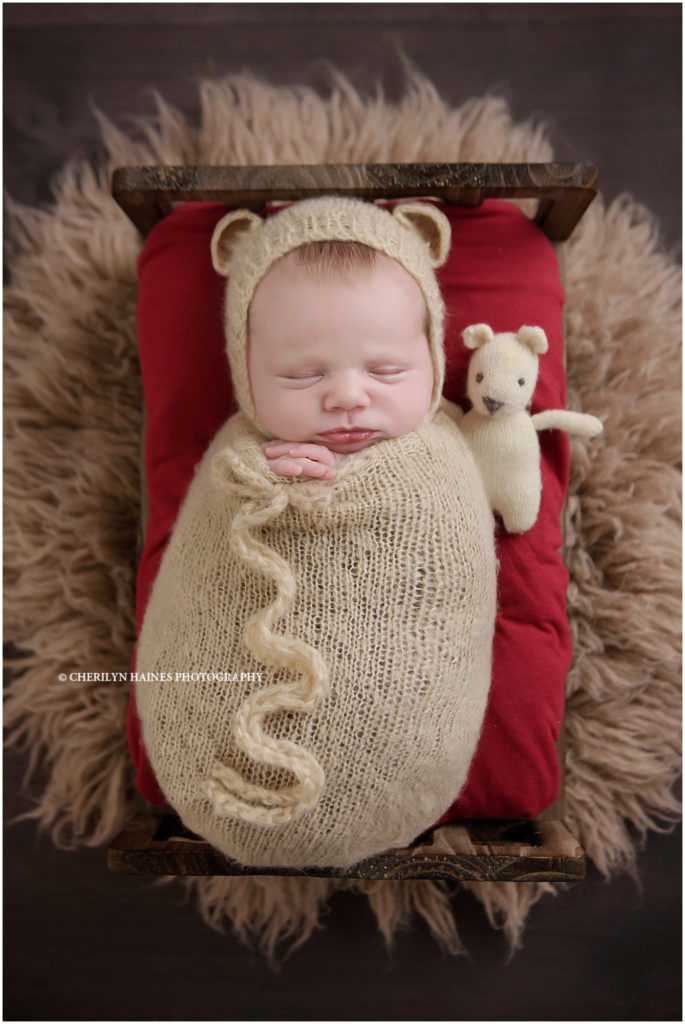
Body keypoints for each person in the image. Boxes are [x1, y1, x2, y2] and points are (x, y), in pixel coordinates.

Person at [135, 197, 497, 869]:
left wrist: (344, 491)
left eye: (385, 370)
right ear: (245, 371)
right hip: (219, 745)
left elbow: (448, 561)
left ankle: (380, 777)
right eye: (304, 375)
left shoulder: (439, 458)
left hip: (399, 741)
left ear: (431, 354)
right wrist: (269, 486)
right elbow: (203, 566)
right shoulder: (237, 453)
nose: (347, 397)